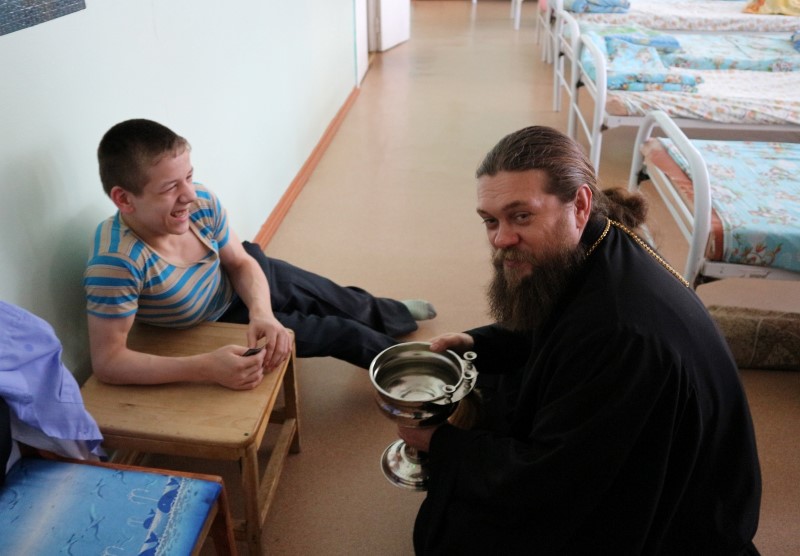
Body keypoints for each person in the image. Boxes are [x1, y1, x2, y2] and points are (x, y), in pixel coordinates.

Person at [398, 126, 761, 554]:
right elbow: (554, 322)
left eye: (521, 216)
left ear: (581, 205)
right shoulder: (599, 242)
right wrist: (477, 343)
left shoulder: (619, 334)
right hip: (633, 427)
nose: (501, 239)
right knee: (490, 381)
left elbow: (550, 479)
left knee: (450, 535)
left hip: (685, 520)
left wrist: (438, 443)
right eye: (490, 221)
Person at [83, 118, 436, 390]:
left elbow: (239, 261)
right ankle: (420, 371)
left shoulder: (199, 202)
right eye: (171, 187)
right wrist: (205, 367)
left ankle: (392, 312)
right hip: (216, 320)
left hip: (238, 276)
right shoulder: (116, 263)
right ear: (124, 199)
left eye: (189, 176)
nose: (189, 194)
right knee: (341, 333)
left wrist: (262, 312)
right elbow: (109, 362)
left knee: (333, 298)